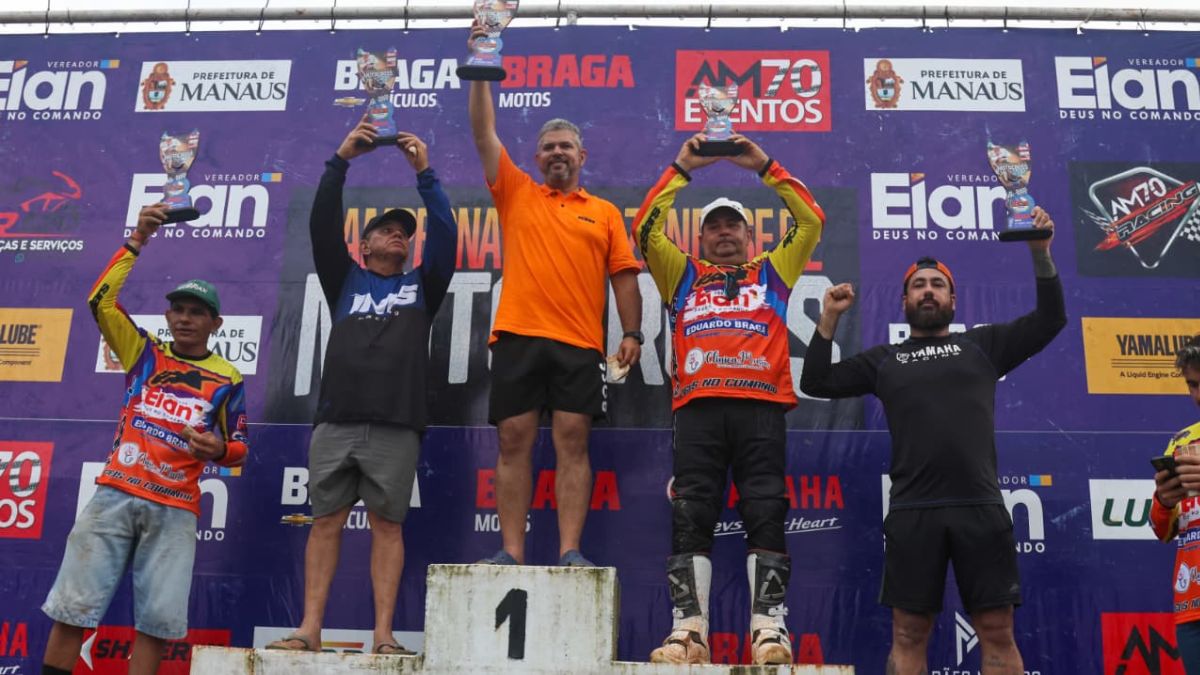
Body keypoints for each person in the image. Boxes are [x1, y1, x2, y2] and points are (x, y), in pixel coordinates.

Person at [799, 208, 1066, 674]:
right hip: (913, 510)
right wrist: (829, 319)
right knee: (907, 633)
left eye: (937, 284)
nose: (928, 291)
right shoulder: (885, 359)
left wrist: (1040, 252)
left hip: (979, 506)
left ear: (953, 299)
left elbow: (1051, 319)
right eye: (918, 285)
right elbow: (817, 381)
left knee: (997, 630)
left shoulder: (983, 346)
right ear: (904, 300)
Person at [265, 122, 456, 654]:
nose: (398, 235)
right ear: (364, 244)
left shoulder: (421, 286)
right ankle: (309, 630)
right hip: (336, 421)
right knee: (324, 522)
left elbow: (445, 234)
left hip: (397, 424)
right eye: (386, 229)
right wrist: (341, 159)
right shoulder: (345, 279)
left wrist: (425, 173)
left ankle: (383, 635)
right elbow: (322, 223)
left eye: (404, 232)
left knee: (388, 526)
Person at [634, 134, 825, 665]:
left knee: (766, 508)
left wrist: (763, 165)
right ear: (700, 238)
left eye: (732, 224)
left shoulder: (773, 270)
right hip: (697, 408)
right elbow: (645, 228)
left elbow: (811, 221)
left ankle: (769, 629)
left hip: (761, 406)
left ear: (748, 233)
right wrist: (682, 166)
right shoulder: (682, 273)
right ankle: (688, 631)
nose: (723, 232)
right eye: (713, 226)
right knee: (691, 511)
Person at [40, 205, 249, 675]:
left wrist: (219, 450)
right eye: (179, 310)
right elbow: (100, 302)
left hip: (175, 507)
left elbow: (240, 447)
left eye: (198, 312)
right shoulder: (143, 352)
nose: (186, 319)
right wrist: (137, 238)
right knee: (72, 607)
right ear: (168, 314)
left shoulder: (228, 378)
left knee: (156, 622)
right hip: (116, 492)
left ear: (216, 324)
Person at [466, 25, 643, 568]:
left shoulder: (605, 212)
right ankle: (511, 551)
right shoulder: (515, 190)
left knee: (572, 438)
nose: (557, 152)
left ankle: (570, 551)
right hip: (518, 335)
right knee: (513, 438)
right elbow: (483, 133)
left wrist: (632, 333)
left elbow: (624, 277)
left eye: (566, 146)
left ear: (582, 156)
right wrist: (481, 68)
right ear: (537, 158)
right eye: (549, 147)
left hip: (579, 342)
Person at [1150, 335, 1200, 673]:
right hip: (1192, 603)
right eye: (1192, 385)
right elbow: (1162, 530)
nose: (1198, 395)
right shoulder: (1182, 441)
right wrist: (1164, 502)